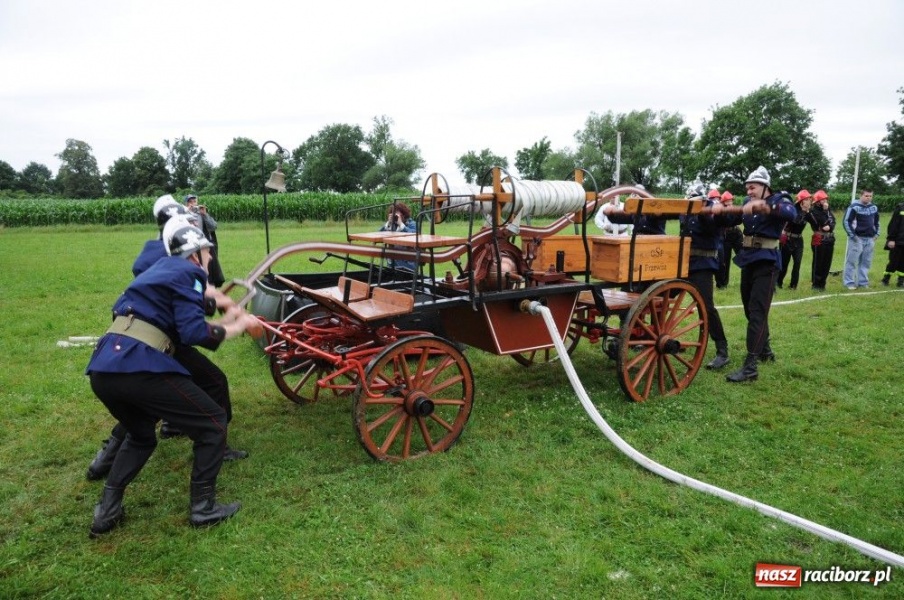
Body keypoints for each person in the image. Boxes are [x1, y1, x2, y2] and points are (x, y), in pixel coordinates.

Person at [86, 218, 260, 537]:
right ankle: (203, 508)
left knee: (141, 435)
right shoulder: (190, 271)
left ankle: (106, 512)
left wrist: (223, 308)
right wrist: (236, 327)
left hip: (102, 368)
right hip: (140, 367)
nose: (210, 259)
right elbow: (193, 331)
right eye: (208, 253)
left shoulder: (156, 271)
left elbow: (179, 312)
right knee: (212, 423)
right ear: (196, 254)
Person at [710, 166, 799, 383]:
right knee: (750, 311)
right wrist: (720, 213)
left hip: (767, 263)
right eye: (748, 188)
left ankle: (750, 367)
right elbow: (733, 220)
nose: (749, 191)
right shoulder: (748, 203)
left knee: (757, 312)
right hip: (748, 259)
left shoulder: (780, 199)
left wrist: (767, 207)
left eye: (753, 187)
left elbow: (791, 214)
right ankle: (765, 350)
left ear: (765, 186)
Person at [680, 184, 730, 369]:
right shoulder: (684, 210)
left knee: (706, 307)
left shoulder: (710, 210)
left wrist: (714, 210)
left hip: (702, 265)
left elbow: (721, 220)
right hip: (681, 263)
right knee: (661, 298)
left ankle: (722, 351)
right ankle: (662, 338)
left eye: (697, 200)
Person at [842, 189, 880, 289]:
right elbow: (846, 222)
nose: (869, 198)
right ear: (861, 195)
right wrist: (853, 236)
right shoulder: (854, 207)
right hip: (857, 239)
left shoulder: (874, 208)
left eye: (870, 196)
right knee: (851, 262)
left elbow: (877, 222)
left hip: (870, 239)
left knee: (866, 262)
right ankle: (849, 283)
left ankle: (863, 283)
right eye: (866, 196)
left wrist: (877, 234)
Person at [184, 194, 225, 287]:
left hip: (204, 246)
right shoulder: (183, 214)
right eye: (190, 202)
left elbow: (214, 226)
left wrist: (205, 214)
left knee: (210, 270)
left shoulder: (202, 213)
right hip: (192, 247)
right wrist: (187, 212)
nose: (193, 204)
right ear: (186, 204)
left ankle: (210, 287)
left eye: (194, 201)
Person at [776, 190, 811, 290]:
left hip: (799, 240)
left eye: (810, 199)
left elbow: (815, 222)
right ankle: (778, 282)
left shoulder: (808, 211)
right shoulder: (793, 209)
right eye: (807, 199)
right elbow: (797, 221)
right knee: (784, 263)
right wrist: (804, 212)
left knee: (797, 263)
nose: (810, 201)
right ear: (802, 201)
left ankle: (793, 285)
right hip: (787, 239)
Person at [803, 189, 836, 291]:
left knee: (827, 262)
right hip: (819, 239)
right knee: (818, 262)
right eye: (823, 199)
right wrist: (826, 215)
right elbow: (821, 222)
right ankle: (816, 284)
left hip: (829, 238)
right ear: (817, 201)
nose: (825, 201)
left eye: (826, 199)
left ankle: (823, 283)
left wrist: (829, 224)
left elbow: (832, 222)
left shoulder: (827, 209)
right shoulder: (814, 211)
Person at [379, 202, 417, 271]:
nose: (395, 217)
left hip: (408, 262)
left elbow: (414, 235)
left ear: (404, 214)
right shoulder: (392, 224)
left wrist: (401, 225)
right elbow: (379, 234)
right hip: (393, 260)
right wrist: (388, 223)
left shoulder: (412, 223)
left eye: (397, 214)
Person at [715, 191, 742, 289]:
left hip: (736, 233)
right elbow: (725, 221)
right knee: (724, 261)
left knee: (744, 255)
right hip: (725, 235)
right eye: (727, 201)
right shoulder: (721, 211)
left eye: (731, 200)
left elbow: (739, 220)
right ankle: (722, 284)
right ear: (723, 202)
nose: (730, 202)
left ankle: (749, 278)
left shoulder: (734, 209)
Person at [881, 198, 904, 287]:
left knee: (903, 263)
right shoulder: (900, 208)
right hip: (897, 241)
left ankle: (901, 281)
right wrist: (891, 239)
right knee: (893, 261)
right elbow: (893, 224)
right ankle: (885, 279)